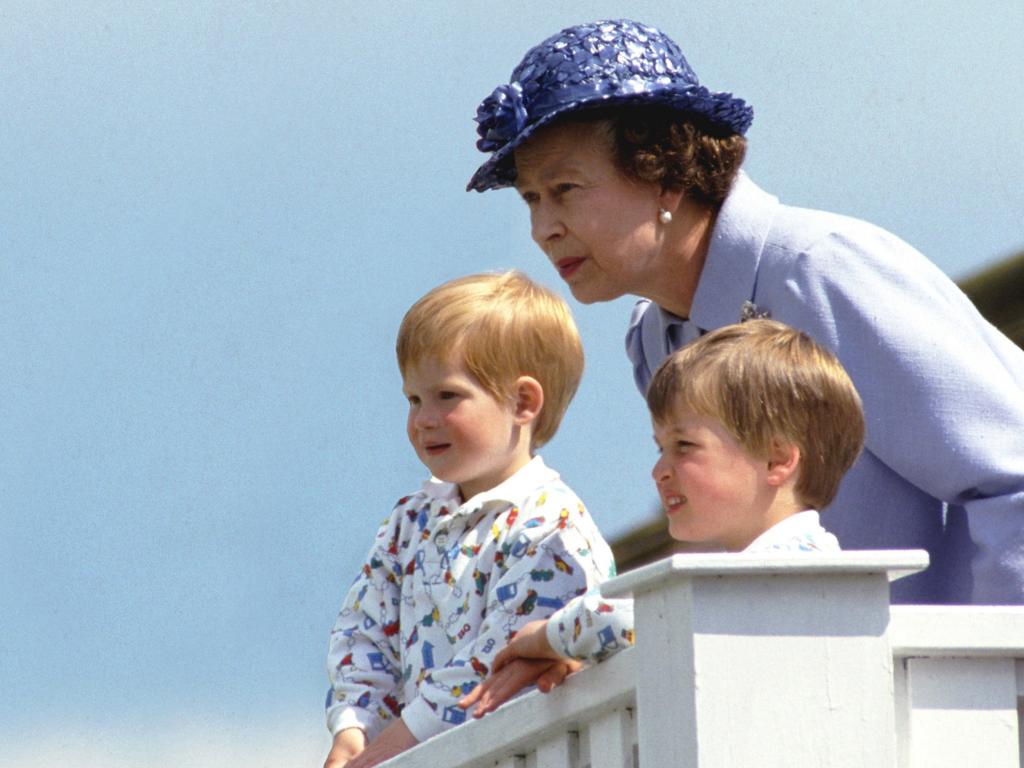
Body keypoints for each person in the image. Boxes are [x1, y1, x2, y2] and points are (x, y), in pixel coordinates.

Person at [467, 18, 1024, 605]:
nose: (542, 229)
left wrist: (989, 681)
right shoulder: (655, 337)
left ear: (664, 174)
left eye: (565, 189)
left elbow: (1013, 475)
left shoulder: (822, 269)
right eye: (531, 198)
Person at [459, 318, 865, 717]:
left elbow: (631, 616)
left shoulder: (791, 566)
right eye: (660, 449)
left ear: (777, 459)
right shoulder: (761, 574)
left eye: (684, 446)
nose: (659, 471)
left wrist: (546, 638)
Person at [323, 271, 615, 768]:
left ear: (523, 402)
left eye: (447, 396)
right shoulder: (410, 521)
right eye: (413, 399)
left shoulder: (551, 527)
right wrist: (355, 728)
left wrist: (389, 749)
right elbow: (364, 629)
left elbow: (497, 658)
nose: (424, 419)